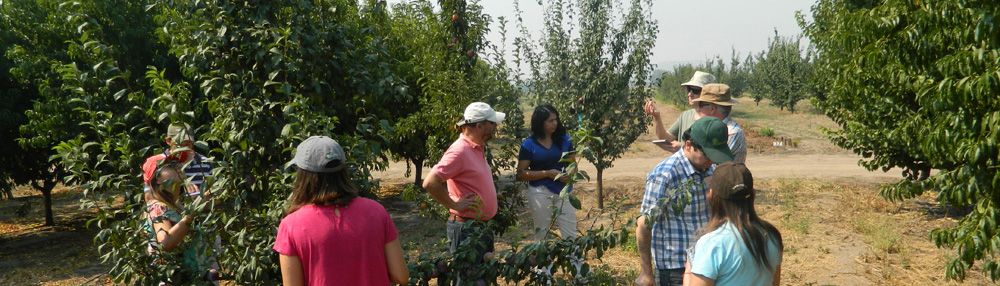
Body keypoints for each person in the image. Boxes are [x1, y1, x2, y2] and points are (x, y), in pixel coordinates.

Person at [273, 136, 408, 285]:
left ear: (304, 177)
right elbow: (400, 276)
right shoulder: (376, 212)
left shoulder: (291, 226)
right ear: (343, 171)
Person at [636, 117, 734, 286]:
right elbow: (644, 224)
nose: (711, 161)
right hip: (675, 269)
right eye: (707, 155)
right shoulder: (665, 174)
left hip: (706, 263)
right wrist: (646, 273)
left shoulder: (709, 169)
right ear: (688, 145)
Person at [422, 102, 505, 284]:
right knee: (468, 280)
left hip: (479, 227)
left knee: (482, 277)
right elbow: (430, 182)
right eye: (492, 123)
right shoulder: (459, 150)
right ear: (479, 126)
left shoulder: (476, 147)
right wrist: (454, 204)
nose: (495, 127)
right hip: (466, 230)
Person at [684, 162, 783, 286]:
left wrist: (688, 270)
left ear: (712, 195)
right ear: (752, 194)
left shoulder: (712, 243)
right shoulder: (771, 235)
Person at [142, 161, 215, 284]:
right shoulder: (158, 208)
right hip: (177, 279)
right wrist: (191, 215)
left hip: (191, 276)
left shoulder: (175, 205)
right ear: (157, 179)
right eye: (169, 166)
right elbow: (165, 243)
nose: (178, 167)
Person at [516, 104, 577, 240]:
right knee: (541, 233)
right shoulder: (529, 145)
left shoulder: (565, 140)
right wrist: (547, 173)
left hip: (564, 191)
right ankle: (542, 254)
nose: (555, 123)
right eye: (550, 120)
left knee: (570, 233)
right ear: (540, 122)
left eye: (556, 119)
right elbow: (520, 174)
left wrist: (570, 175)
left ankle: (573, 254)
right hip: (540, 192)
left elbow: (573, 165)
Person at [644, 71, 716, 152]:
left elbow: (713, 151)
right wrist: (657, 117)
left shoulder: (716, 121)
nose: (689, 94)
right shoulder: (685, 115)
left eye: (695, 90)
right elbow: (665, 137)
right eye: (689, 89)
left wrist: (683, 147)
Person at [142, 123, 214, 199]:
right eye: (180, 143)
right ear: (168, 141)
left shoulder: (205, 162)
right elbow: (149, 198)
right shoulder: (154, 163)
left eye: (188, 143)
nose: (185, 148)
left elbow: (213, 196)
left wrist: (202, 198)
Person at [689, 84, 747, 164]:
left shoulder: (732, 133)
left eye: (700, 105)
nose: (698, 109)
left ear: (712, 109)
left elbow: (711, 163)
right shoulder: (714, 129)